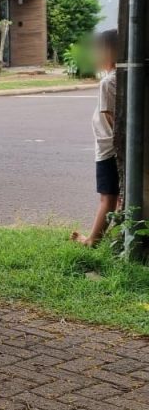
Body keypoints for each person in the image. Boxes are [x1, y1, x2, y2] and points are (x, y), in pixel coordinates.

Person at [72, 29, 119, 247]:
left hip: (108, 148)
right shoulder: (123, 78)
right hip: (116, 149)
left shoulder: (108, 82)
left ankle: (93, 240)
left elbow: (112, 118)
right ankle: (119, 237)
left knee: (107, 198)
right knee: (117, 197)